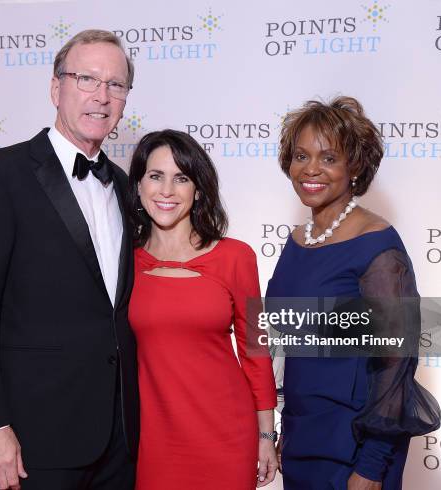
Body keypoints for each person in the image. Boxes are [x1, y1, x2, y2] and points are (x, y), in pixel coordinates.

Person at [0, 30, 139, 490]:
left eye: (116, 85)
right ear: (56, 88)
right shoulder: (0, 174)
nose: (102, 95)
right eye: (87, 79)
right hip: (33, 440)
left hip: (122, 437)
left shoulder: (127, 186)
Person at [268, 97, 441, 489]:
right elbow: (288, 344)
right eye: (300, 156)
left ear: (355, 166)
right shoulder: (298, 241)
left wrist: (372, 466)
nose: (311, 169)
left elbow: (396, 363)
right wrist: (284, 431)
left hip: (355, 447)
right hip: (303, 436)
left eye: (329, 158)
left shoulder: (376, 244)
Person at [127, 129, 278, 489]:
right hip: (152, 441)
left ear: (197, 190)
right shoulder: (123, 263)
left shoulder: (236, 257)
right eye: (155, 176)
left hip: (227, 436)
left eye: (181, 178)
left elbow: (255, 352)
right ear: (138, 185)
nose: (166, 190)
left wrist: (265, 438)